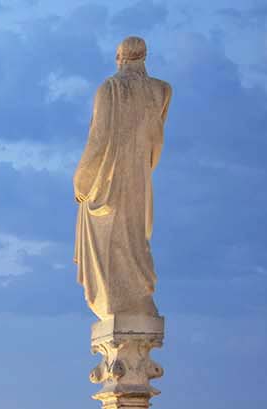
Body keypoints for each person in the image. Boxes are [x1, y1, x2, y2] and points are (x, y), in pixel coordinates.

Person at [74, 36, 172, 320]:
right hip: (139, 178)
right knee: (134, 236)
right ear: (144, 57)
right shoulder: (161, 91)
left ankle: (119, 299)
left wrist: (81, 181)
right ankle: (136, 297)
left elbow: (99, 139)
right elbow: (156, 140)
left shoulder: (110, 88)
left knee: (108, 233)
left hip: (111, 180)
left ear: (119, 57)